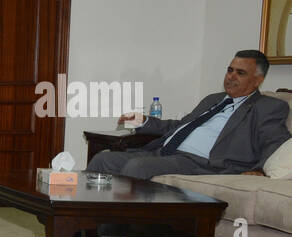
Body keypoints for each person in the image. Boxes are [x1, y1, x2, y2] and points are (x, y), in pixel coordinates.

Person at [89, 50, 290, 180]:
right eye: (230, 70)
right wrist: (144, 121)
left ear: (258, 80)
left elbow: (275, 141)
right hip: (165, 153)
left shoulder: (268, 106)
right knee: (103, 160)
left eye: (240, 73)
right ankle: (81, 232)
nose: (231, 76)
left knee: (137, 166)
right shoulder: (213, 99)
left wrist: (261, 169)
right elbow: (179, 126)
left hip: (200, 163)